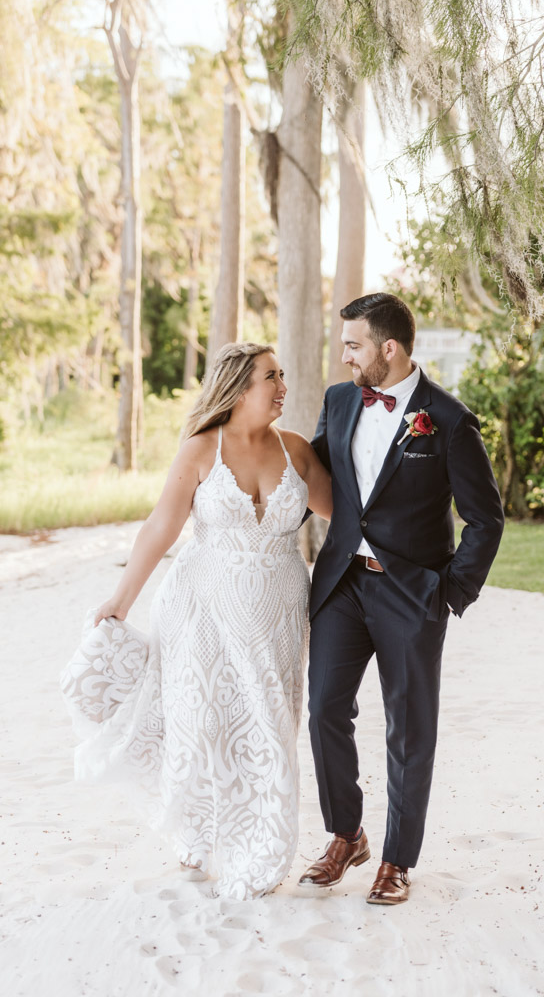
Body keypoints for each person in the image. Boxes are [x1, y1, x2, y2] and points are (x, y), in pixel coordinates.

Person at [61, 342, 332, 900]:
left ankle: (261, 844)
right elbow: (160, 527)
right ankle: (196, 834)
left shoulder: (299, 451)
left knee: (270, 724)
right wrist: (122, 599)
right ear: (237, 387)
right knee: (202, 719)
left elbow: (346, 517)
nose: (282, 386)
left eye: (283, 375)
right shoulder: (201, 448)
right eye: (269, 378)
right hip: (198, 606)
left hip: (277, 611)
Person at [299, 293, 504, 904]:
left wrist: (448, 592)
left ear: (389, 349)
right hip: (340, 584)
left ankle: (397, 860)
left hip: (411, 593)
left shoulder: (448, 419)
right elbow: (314, 478)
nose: (344, 358)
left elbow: (485, 519)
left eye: (353, 346)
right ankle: (346, 833)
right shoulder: (339, 401)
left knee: (408, 728)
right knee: (324, 710)